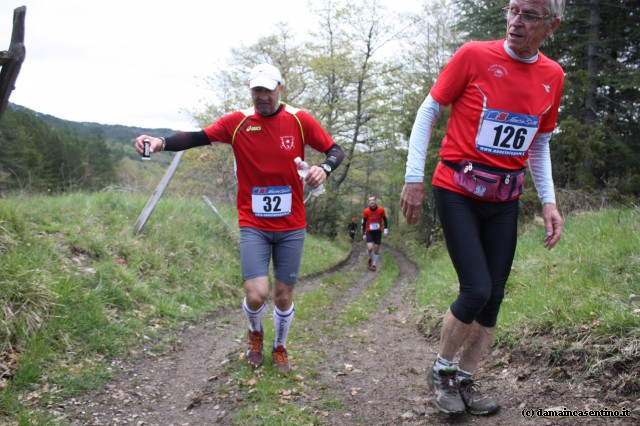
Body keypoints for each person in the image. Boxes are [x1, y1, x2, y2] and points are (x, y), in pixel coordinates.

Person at [400, 0, 565, 416]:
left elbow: (540, 141)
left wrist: (549, 201)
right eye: (512, 10)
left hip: (505, 199)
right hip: (457, 188)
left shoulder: (553, 75)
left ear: (552, 25)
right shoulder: (474, 55)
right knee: (476, 288)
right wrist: (413, 178)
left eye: (529, 15)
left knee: (494, 298)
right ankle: (441, 372)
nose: (515, 21)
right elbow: (429, 110)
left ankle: (466, 379)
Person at [135, 63, 344, 375]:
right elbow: (196, 137)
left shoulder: (300, 120)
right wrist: (161, 142)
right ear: (251, 92)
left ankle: (280, 346)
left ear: (280, 89)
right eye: (256, 90)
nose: (262, 96)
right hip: (253, 224)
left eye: (268, 90)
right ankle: (255, 333)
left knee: (283, 296)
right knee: (256, 293)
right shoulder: (238, 123)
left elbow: (335, 150)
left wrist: (323, 169)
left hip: (291, 226)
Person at [361, 196, 388, 271]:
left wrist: (386, 231)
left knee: (376, 249)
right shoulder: (366, 211)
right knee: (370, 248)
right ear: (368, 202)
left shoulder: (381, 209)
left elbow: (385, 220)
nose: (371, 202)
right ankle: (370, 259)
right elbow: (364, 223)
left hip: (378, 232)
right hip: (369, 231)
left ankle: (374, 264)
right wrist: (364, 234)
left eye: (373, 200)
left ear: (375, 201)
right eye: (370, 200)